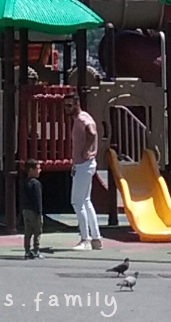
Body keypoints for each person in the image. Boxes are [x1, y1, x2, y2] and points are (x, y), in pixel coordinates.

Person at [64, 92, 102, 250]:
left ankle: (85, 239)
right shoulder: (84, 116)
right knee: (86, 201)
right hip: (85, 164)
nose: (67, 108)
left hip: (83, 165)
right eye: (65, 105)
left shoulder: (81, 119)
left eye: (69, 105)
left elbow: (92, 132)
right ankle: (96, 239)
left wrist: (87, 150)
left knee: (77, 202)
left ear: (77, 103)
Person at [19, 159, 45, 258]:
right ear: (31, 169)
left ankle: (27, 250)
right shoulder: (36, 183)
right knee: (37, 231)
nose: (40, 170)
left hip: (26, 210)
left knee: (28, 231)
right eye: (38, 168)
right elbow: (38, 199)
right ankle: (36, 250)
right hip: (34, 211)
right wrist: (39, 212)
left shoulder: (24, 182)